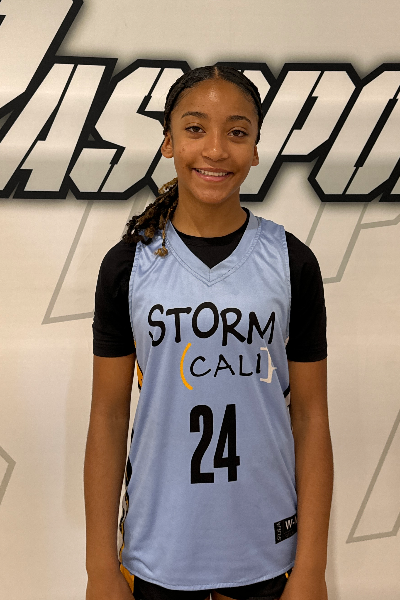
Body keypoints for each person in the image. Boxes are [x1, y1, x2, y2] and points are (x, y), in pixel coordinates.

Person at [84, 66, 333, 600]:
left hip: (269, 552)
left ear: (256, 148)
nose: (216, 149)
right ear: (169, 142)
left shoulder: (291, 262)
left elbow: (311, 417)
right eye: (195, 129)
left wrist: (312, 568)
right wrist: (99, 567)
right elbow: (108, 415)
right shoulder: (129, 265)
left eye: (237, 132)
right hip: (158, 551)